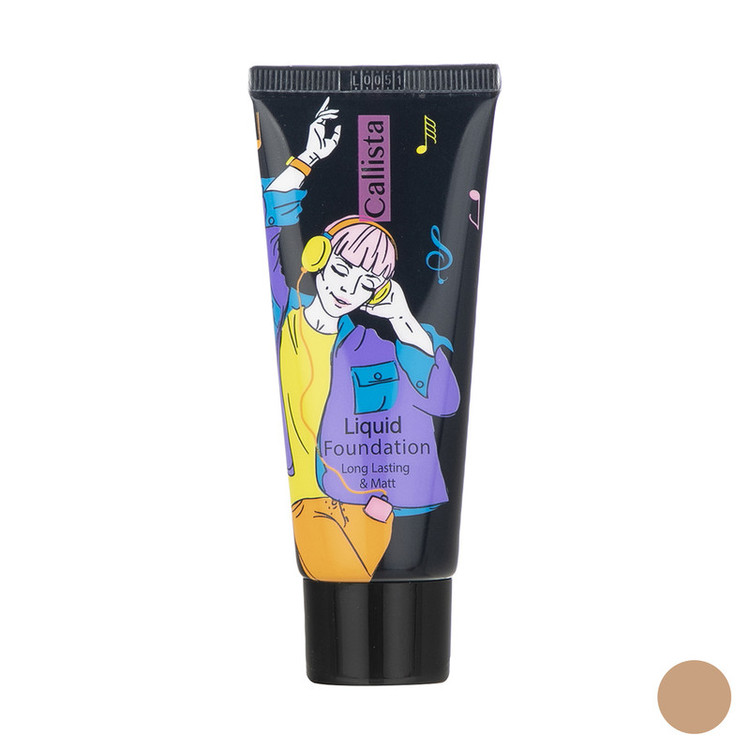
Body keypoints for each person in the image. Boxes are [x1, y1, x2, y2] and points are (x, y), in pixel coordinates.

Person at [262, 99, 460, 582]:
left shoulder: (373, 347)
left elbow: (444, 401)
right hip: (306, 503)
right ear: (319, 257)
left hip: (361, 509)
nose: (347, 287)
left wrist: (405, 320)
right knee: (330, 571)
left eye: (366, 283)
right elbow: (274, 214)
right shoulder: (286, 311)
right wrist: (308, 157)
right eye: (342, 268)